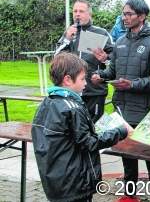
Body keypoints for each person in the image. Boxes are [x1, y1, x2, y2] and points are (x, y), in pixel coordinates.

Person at [31, 53, 131, 202]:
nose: (86, 83)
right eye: (83, 78)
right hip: (75, 182)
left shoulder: (46, 103)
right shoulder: (72, 108)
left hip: (54, 180)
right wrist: (121, 131)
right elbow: (89, 142)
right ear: (67, 80)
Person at [91, 0, 150, 202]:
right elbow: (113, 70)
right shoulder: (120, 42)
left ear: (142, 16)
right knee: (127, 157)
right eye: (123, 13)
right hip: (123, 109)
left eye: (129, 14)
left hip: (149, 111)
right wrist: (102, 76)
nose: (125, 18)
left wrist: (132, 85)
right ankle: (130, 197)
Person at [55, 0, 113, 122]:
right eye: (75, 11)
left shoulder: (101, 32)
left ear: (89, 14)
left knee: (94, 127)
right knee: (74, 127)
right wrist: (66, 39)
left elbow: (115, 59)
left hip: (94, 91)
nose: (77, 14)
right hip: (72, 90)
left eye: (81, 11)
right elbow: (57, 59)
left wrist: (105, 59)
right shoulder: (69, 33)